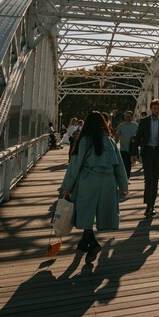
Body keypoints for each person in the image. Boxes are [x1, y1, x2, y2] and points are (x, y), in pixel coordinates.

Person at [59, 112, 128, 262]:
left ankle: (93, 243)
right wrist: (123, 184)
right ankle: (85, 242)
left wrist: (67, 186)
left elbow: (75, 166)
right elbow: (119, 165)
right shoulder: (109, 141)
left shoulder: (84, 141)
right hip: (108, 182)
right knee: (100, 212)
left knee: (85, 211)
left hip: (88, 181)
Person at [133, 99, 159, 216]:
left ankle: (151, 205)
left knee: (155, 180)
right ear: (151, 109)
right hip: (147, 152)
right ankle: (148, 205)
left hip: (158, 153)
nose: (156, 110)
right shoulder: (144, 121)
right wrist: (133, 154)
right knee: (148, 178)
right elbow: (138, 137)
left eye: (158, 109)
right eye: (154, 108)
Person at [115, 110, 138, 178]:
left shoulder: (135, 125)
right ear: (124, 117)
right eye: (127, 116)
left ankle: (127, 176)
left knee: (129, 164)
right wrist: (114, 144)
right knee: (125, 164)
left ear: (132, 117)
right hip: (123, 149)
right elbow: (117, 135)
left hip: (132, 148)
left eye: (129, 116)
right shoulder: (121, 125)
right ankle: (126, 177)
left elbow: (139, 135)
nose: (128, 118)